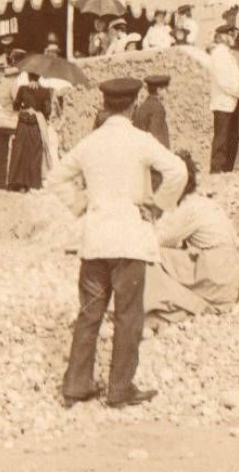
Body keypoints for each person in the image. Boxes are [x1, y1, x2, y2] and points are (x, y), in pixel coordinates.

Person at [48, 77, 187, 409]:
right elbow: (178, 171)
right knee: (128, 315)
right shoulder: (141, 141)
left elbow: (55, 179)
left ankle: (76, 385)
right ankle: (119, 388)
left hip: (95, 237)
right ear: (134, 104)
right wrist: (157, 204)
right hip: (128, 238)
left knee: (89, 314)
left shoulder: (90, 143)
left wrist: (81, 203)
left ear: (105, 105)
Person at [144, 150, 239, 333]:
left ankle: (162, 303)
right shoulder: (201, 203)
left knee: (147, 257)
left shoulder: (188, 209)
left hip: (216, 275)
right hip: (225, 273)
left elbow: (158, 241)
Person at [208, 23, 239, 173]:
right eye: (231, 35)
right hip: (223, 104)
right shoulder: (219, 54)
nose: (234, 37)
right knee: (222, 141)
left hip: (232, 102)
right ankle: (217, 172)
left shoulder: (227, 54)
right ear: (224, 37)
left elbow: (237, 77)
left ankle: (227, 172)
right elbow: (224, 80)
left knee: (232, 140)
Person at [8, 73, 48, 192]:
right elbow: (47, 111)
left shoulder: (22, 88)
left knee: (20, 152)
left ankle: (19, 183)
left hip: (23, 125)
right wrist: (37, 110)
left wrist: (25, 108)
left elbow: (15, 106)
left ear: (28, 77)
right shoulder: (45, 91)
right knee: (34, 153)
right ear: (40, 77)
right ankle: (33, 183)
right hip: (36, 125)